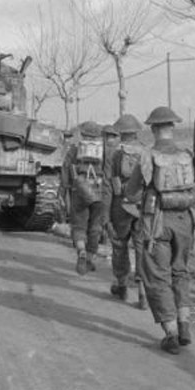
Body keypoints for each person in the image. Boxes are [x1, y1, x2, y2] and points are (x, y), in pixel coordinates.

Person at [123, 106, 195, 354]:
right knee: (180, 271)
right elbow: (194, 192)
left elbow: (132, 192)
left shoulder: (147, 156)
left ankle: (171, 332)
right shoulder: (186, 154)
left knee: (156, 275)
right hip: (184, 222)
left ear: (154, 129)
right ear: (172, 127)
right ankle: (184, 322)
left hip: (156, 222)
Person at [108, 113, 148, 309]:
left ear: (120, 133)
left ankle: (122, 285)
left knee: (119, 243)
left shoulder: (116, 154)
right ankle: (142, 292)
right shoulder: (146, 152)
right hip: (142, 205)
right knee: (141, 246)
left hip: (121, 203)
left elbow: (110, 184)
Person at [62, 120, 106, 275]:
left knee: (79, 225)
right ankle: (90, 258)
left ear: (82, 133)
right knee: (96, 227)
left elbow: (66, 170)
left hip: (79, 190)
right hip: (99, 190)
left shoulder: (75, 149)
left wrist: (64, 191)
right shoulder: (103, 151)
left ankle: (81, 251)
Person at [100, 124, 120, 246]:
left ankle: (105, 236)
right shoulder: (119, 149)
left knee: (105, 210)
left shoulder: (104, 149)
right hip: (118, 184)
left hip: (106, 183)